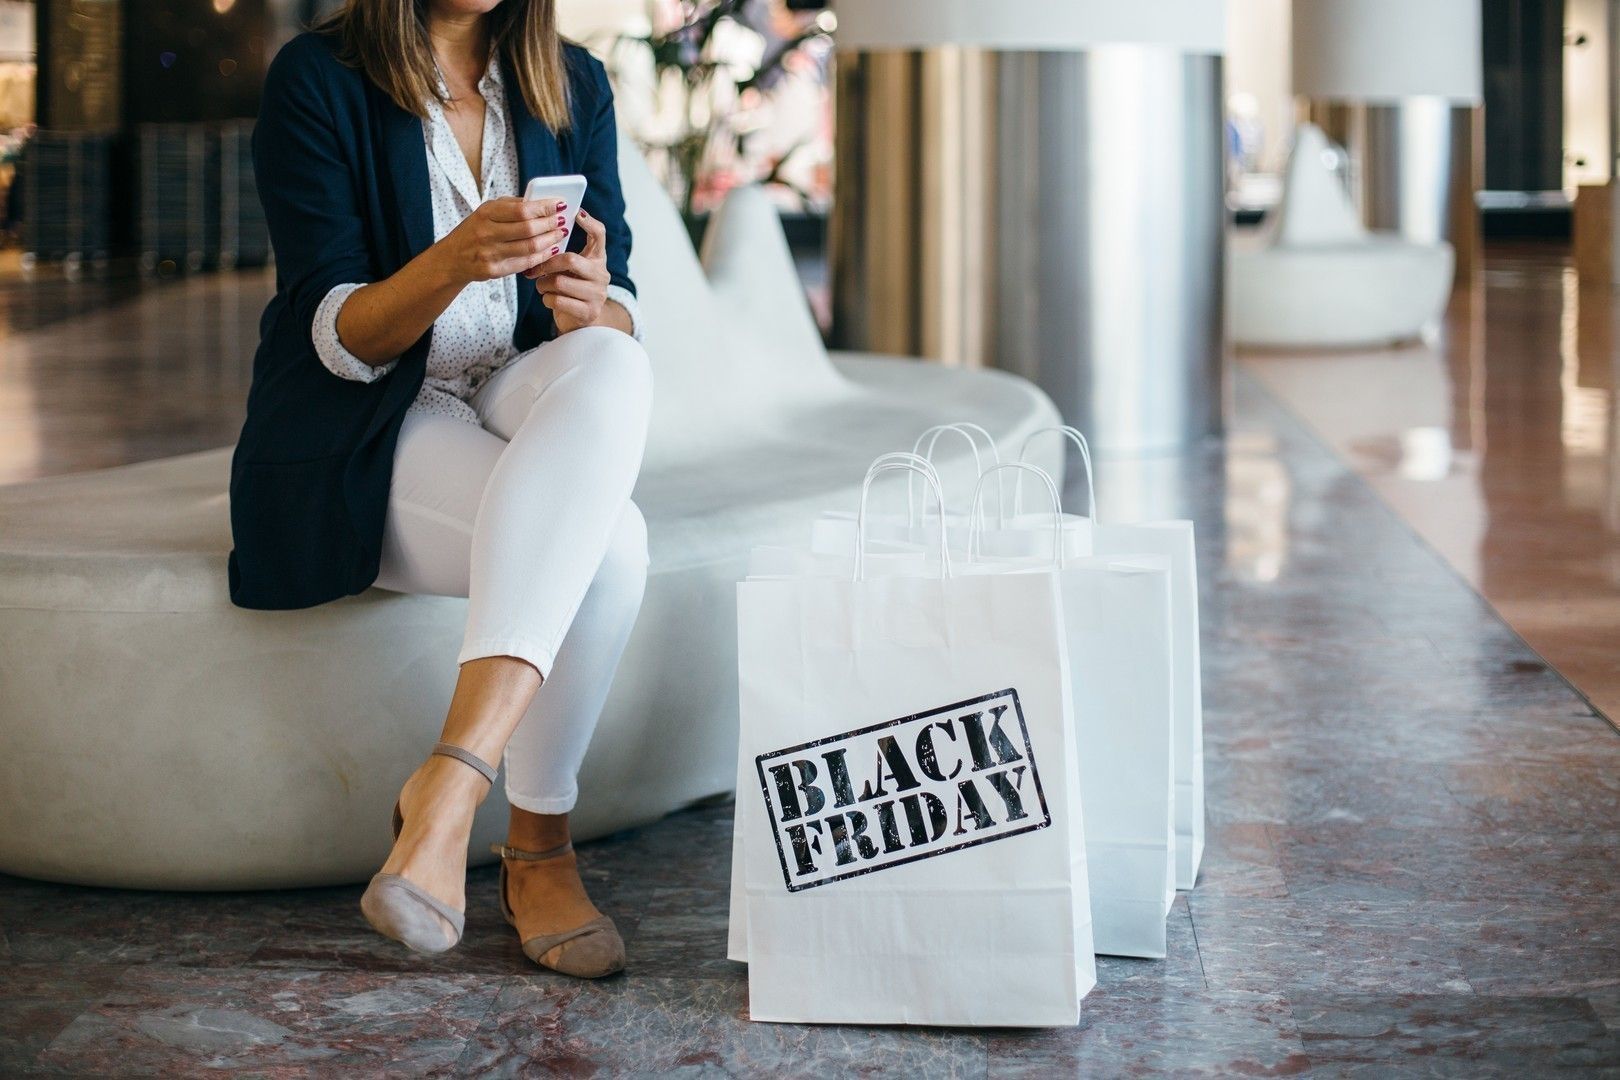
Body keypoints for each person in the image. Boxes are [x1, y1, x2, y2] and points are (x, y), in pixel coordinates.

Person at [228, 0, 651, 978]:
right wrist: (453, 261)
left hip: (511, 392)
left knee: (616, 362)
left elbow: (621, 300)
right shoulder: (317, 79)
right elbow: (338, 335)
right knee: (613, 546)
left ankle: (448, 787)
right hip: (368, 424)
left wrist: (594, 305)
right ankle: (533, 844)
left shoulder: (571, 80)